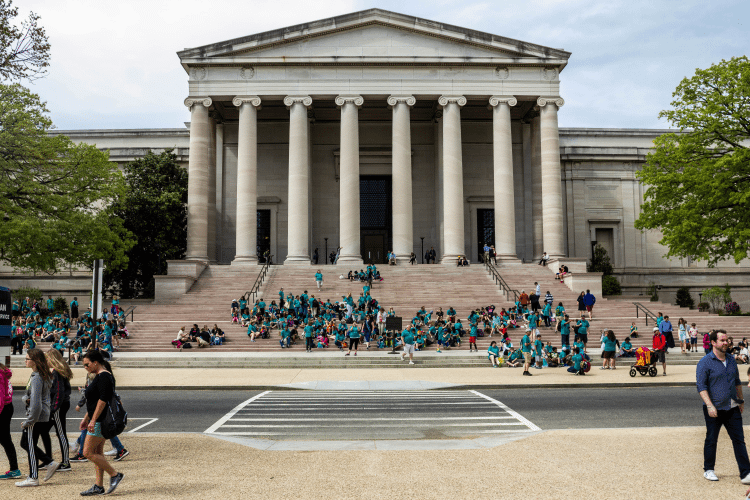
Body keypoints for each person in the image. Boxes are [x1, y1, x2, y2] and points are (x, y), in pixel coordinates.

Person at [697, 330, 750, 484]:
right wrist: (709, 405)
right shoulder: (705, 362)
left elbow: (737, 381)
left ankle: (746, 473)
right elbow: (701, 386)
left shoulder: (732, 360)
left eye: (726, 340)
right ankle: (709, 470)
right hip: (714, 408)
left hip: (732, 407)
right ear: (713, 342)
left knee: (739, 440)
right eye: (722, 340)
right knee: (712, 440)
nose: (726, 343)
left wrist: (741, 400)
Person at [79, 350, 124, 495]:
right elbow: (93, 402)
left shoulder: (104, 376)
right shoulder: (100, 376)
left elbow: (102, 400)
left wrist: (92, 420)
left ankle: (115, 475)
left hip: (100, 421)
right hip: (96, 419)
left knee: (87, 452)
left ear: (95, 362)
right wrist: (86, 418)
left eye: (87, 364)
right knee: (97, 452)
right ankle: (98, 486)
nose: (85, 367)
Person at [16, 349, 58, 487]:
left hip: (36, 417)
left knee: (28, 445)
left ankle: (35, 475)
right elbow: (34, 398)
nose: (25, 361)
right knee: (27, 444)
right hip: (41, 415)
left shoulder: (37, 377)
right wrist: (25, 399)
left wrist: (29, 421)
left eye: (27, 359)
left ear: (35, 361)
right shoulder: (41, 375)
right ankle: (47, 463)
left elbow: (36, 403)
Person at [42, 350, 72, 473]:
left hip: (57, 407)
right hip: (59, 405)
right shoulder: (59, 371)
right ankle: (48, 460)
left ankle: (66, 462)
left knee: (61, 433)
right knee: (45, 431)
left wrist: (54, 409)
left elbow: (59, 392)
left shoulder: (57, 373)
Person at [0, 361, 20, 480]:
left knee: (5, 440)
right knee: (5, 440)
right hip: (7, 407)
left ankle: (14, 469)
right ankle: (14, 468)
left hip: (2, 409)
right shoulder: (3, 372)